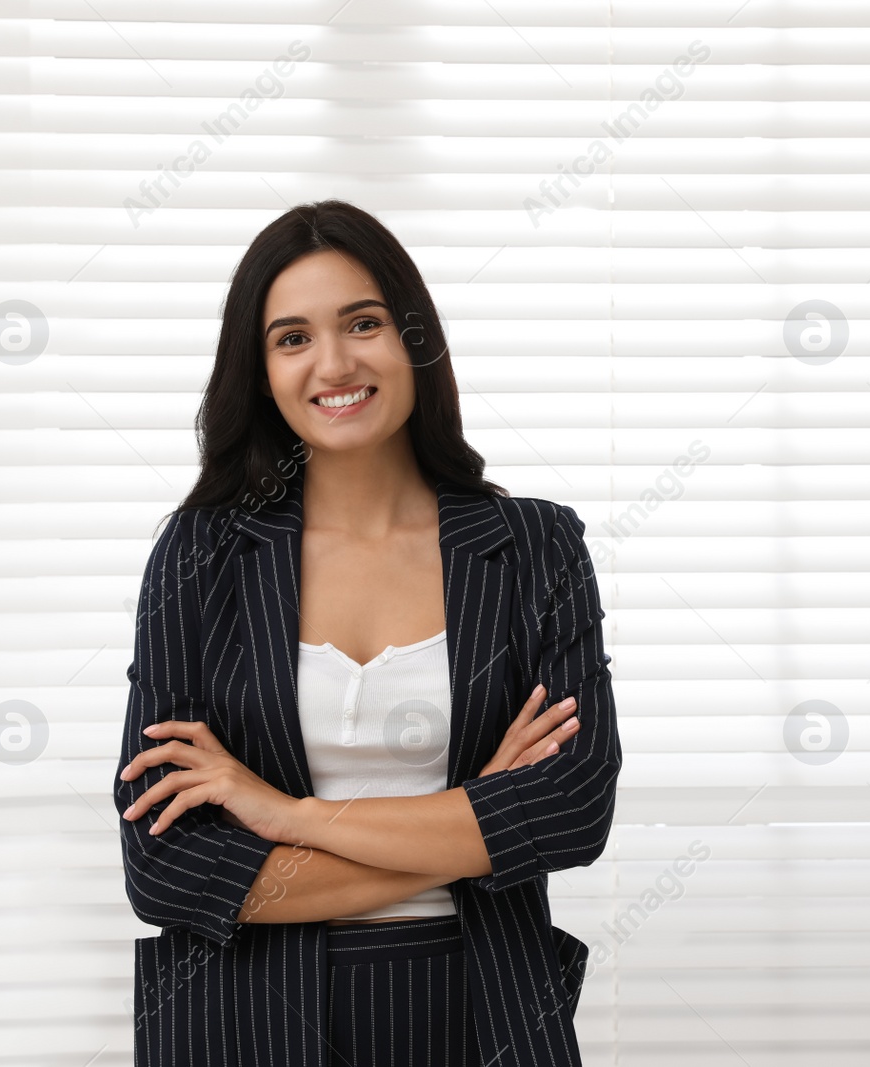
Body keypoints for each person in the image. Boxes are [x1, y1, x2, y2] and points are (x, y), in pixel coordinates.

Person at [112, 199, 620, 1066]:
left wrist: (287, 814)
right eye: (292, 337)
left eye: (363, 322)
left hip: (482, 1013)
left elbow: (570, 811)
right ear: (261, 369)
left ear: (414, 337)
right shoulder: (201, 554)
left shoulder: (535, 546)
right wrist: (470, 820)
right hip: (246, 1022)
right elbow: (165, 870)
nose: (335, 362)